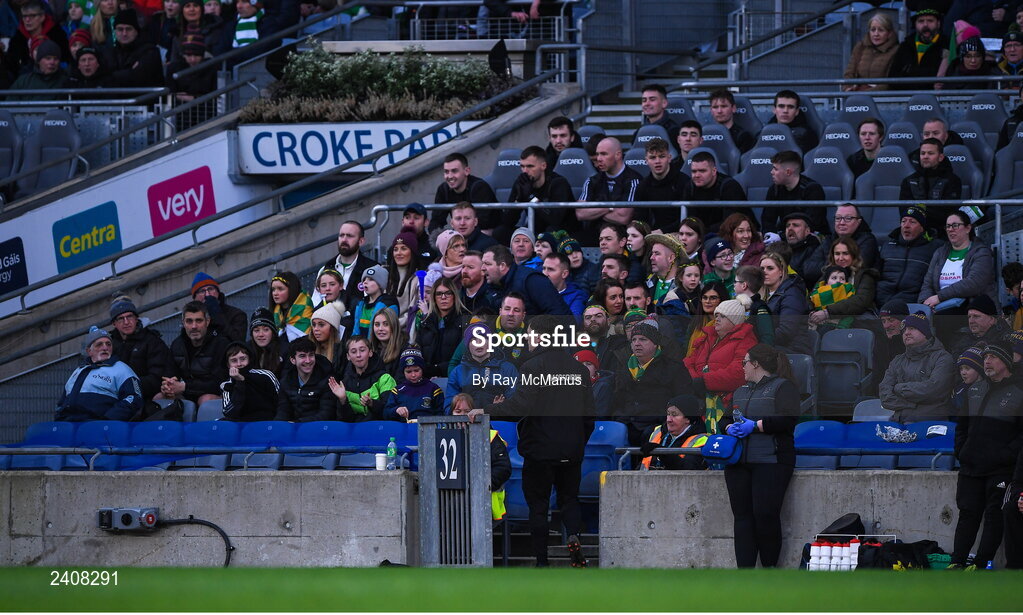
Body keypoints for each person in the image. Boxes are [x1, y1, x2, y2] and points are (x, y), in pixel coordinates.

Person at [470, 315, 594, 568]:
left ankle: (542, 561)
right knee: (569, 499)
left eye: (530, 333)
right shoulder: (579, 369)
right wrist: (578, 441)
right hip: (571, 449)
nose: (527, 338)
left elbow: (520, 406)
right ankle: (573, 535)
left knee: (538, 505)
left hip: (540, 449)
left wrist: (486, 410)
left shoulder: (533, 367)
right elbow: (589, 415)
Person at [722, 343, 800, 568]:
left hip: (772, 461)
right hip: (739, 462)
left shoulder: (783, 387)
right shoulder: (740, 391)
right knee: (742, 517)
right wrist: (729, 427)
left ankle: (769, 568)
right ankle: (744, 571)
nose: (742, 367)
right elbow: (724, 419)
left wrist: (755, 426)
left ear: (756, 364)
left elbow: (788, 419)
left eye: (744, 362)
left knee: (765, 514)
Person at [951, 342, 1023, 569]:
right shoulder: (974, 389)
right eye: (985, 358)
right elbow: (961, 426)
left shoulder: (1019, 392)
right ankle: (957, 562)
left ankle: (981, 565)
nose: (987, 362)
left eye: (992, 357)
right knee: (967, 514)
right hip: (970, 466)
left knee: (994, 516)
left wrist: (1005, 455)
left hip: (1000, 469)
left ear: (1006, 362)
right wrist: (962, 451)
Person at [612, 318, 693, 446]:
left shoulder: (673, 368)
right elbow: (617, 401)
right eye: (634, 340)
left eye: (643, 339)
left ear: (655, 344)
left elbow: (683, 402)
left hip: (656, 428)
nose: (637, 343)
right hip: (626, 426)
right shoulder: (624, 368)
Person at [685, 296, 759, 434]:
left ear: (735, 321)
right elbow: (689, 362)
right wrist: (694, 381)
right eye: (716, 315)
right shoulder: (708, 338)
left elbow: (739, 372)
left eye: (723, 316)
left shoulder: (746, 341)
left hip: (726, 402)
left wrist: (704, 382)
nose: (717, 319)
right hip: (699, 397)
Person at [919, 209, 997, 338]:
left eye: (955, 225)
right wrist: (925, 304)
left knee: (942, 320)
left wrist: (939, 297)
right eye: (948, 226)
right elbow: (927, 283)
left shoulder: (981, 252)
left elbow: (974, 283)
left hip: (970, 306)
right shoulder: (940, 252)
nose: (950, 229)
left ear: (968, 228)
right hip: (940, 306)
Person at [878, 311, 955, 423]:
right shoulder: (897, 360)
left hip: (930, 423)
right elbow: (885, 395)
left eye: (912, 328)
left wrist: (899, 388)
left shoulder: (942, 358)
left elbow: (933, 390)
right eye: (904, 330)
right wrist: (911, 404)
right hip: (898, 421)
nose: (906, 333)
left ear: (925, 333)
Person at [55, 327, 143, 421]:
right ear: (89, 351)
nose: (105, 348)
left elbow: (134, 398)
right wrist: (59, 421)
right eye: (99, 344)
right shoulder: (78, 371)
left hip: (101, 426)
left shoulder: (122, 369)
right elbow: (62, 402)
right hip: (70, 425)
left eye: (108, 344)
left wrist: (108, 420)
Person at [451, 392, 512, 522]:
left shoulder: (490, 436)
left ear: (474, 413)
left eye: (467, 411)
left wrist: (480, 485)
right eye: (458, 411)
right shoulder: (444, 437)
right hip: (452, 502)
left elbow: (503, 468)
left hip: (484, 502)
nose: (462, 416)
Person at [162, 300, 231, 405]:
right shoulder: (177, 345)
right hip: (187, 394)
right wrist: (167, 386)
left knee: (205, 400)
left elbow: (220, 383)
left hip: (214, 394)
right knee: (160, 397)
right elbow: (169, 374)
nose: (194, 326)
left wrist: (185, 386)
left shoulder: (221, 344)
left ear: (207, 321)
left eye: (198, 321)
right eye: (189, 321)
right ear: (183, 323)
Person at [876, 205, 944, 307]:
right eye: (903, 221)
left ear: (922, 228)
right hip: (880, 301)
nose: (906, 225)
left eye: (912, 222)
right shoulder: (887, 245)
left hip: (910, 303)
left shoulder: (934, 248)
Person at [577, 137, 642, 243]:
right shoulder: (592, 181)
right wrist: (610, 207)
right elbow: (580, 213)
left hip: (622, 238)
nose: (599, 158)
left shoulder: (633, 181)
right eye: (597, 154)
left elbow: (624, 217)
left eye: (604, 154)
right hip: (594, 235)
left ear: (618, 155)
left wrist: (595, 210)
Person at [108, 295, 173, 401]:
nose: (126, 322)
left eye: (129, 317)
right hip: (118, 396)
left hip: (147, 397)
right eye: (120, 319)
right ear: (114, 323)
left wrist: (129, 386)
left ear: (136, 318)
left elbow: (158, 377)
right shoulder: (109, 344)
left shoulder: (152, 341)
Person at [446, 322, 518, 412]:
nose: (479, 344)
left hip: (496, 419)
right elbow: (449, 406)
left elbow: (514, 403)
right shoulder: (457, 372)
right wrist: (460, 414)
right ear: (467, 345)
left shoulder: (507, 369)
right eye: (473, 340)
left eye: (483, 339)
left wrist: (497, 410)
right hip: (466, 420)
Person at [808, 238, 880, 328]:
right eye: (837, 254)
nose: (841, 258)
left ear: (854, 255)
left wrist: (828, 312)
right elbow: (812, 296)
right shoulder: (827, 274)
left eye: (845, 253)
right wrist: (812, 312)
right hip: (824, 317)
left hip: (856, 318)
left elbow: (861, 301)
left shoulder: (865, 275)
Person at [482, 244, 571, 315]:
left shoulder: (531, 280)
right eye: (482, 264)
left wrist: (536, 329)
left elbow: (559, 313)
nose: (482, 268)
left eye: (487, 264)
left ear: (502, 266)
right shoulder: (490, 286)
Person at [507, 145, 575, 235]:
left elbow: (555, 219)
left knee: (551, 230)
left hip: (562, 231)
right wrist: (518, 200)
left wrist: (531, 197)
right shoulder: (522, 182)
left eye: (530, 166)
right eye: (522, 166)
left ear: (543, 166)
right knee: (501, 231)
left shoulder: (558, 183)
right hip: (535, 228)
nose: (525, 171)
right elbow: (508, 221)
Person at [681, 152, 755, 231]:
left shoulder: (729, 186)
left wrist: (703, 232)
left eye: (702, 171)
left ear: (714, 171)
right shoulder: (690, 187)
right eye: (694, 171)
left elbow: (730, 222)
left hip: (732, 232)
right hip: (702, 232)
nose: (697, 175)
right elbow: (690, 218)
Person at [331, 335, 396, 422]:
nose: (358, 355)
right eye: (353, 352)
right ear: (348, 356)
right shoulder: (344, 383)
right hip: (355, 429)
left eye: (362, 350)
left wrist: (372, 403)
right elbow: (345, 420)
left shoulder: (384, 378)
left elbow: (391, 412)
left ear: (370, 352)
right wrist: (343, 400)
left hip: (379, 427)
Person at [317, 220, 378, 311]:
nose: (344, 240)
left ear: (361, 241)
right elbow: (316, 302)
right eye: (341, 235)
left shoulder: (372, 270)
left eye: (349, 236)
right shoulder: (326, 268)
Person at [762, 150, 827, 235]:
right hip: (786, 235)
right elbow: (767, 220)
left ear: (788, 172)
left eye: (775, 169)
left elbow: (811, 224)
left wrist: (781, 236)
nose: (771, 172)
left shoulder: (812, 190)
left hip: (812, 237)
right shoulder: (775, 189)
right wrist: (770, 235)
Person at [760, 253, 814, 354]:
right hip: (774, 347)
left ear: (781, 272)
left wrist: (759, 338)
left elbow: (786, 332)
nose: (764, 272)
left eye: (770, 268)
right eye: (762, 269)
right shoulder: (763, 295)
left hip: (793, 350)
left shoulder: (792, 294)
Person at [413, 277, 466, 378]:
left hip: (453, 378)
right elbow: (418, 353)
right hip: (427, 379)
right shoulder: (426, 323)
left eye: (448, 293)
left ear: (454, 296)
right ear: (434, 298)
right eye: (439, 294)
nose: (443, 297)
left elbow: (464, 358)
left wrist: (438, 370)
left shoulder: (464, 321)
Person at [431, 153, 498, 232]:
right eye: (446, 172)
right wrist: (439, 236)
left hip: (488, 231)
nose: (450, 176)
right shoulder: (443, 189)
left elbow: (483, 222)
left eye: (454, 171)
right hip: (462, 230)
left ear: (467, 171)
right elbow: (436, 221)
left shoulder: (479, 187)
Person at [639, 394, 707, 470]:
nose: (669, 420)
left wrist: (662, 452)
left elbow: (688, 469)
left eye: (674, 415)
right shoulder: (656, 431)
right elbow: (642, 464)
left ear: (688, 419)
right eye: (668, 414)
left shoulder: (702, 440)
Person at [888, 7, 949, 88]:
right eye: (921, 21)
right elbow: (892, 78)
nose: (925, 25)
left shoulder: (947, 45)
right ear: (915, 24)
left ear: (938, 23)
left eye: (930, 21)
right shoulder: (905, 46)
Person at [5, 0, 71, 76]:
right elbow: (11, 67)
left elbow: (66, 59)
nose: (27, 20)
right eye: (24, 16)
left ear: (42, 17)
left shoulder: (57, 36)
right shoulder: (17, 40)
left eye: (32, 16)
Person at [220, 342, 280, 421]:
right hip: (240, 424)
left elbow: (281, 403)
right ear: (228, 365)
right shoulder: (227, 384)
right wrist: (240, 382)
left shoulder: (266, 375)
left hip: (267, 422)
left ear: (249, 359)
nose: (239, 364)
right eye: (234, 361)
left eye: (243, 359)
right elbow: (229, 412)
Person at [382, 346, 444, 421]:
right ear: (403, 372)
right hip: (404, 427)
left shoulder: (433, 389)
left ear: (422, 369)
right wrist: (396, 410)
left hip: (427, 427)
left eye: (416, 370)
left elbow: (441, 414)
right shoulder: (397, 391)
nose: (413, 375)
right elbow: (386, 413)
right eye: (409, 372)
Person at [106, 9, 163, 88]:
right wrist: (130, 71)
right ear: (115, 32)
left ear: (136, 31)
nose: (124, 33)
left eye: (128, 29)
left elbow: (139, 78)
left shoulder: (150, 51)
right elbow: (104, 79)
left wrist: (114, 75)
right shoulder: (110, 52)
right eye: (120, 29)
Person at [842, 12, 899, 91]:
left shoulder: (896, 51)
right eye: (873, 30)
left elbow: (890, 82)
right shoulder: (860, 47)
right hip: (856, 93)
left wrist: (865, 93)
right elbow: (849, 73)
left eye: (881, 30)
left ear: (889, 33)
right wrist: (848, 88)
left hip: (881, 96)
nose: (876, 34)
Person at [383, 226, 425, 328]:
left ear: (412, 252)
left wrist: (391, 325)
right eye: (395, 249)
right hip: (382, 328)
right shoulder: (385, 274)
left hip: (404, 331)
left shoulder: (419, 279)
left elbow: (414, 311)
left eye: (404, 248)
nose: (398, 253)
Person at [820, 203, 880, 273]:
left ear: (858, 222)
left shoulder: (867, 240)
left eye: (848, 218)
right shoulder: (828, 240)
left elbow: (858, 267)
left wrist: (828, 265)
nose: (842, 222)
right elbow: (810, 269)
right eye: (838, 218)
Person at [190, 271, 248, 343]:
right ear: (195, 298)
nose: (207, 294)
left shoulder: (236, 315)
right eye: (202, 291)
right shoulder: (190, 318)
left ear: (218, 292)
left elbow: (238, 342)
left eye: (210, 289)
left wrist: (217, 314)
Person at [350, 266, 399, 337]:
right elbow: (356, 330)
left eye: (371, 279)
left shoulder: (388, 304)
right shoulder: (361, 304)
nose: (365, 282)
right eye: (364, 280)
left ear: (380, 284)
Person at [268, 271, 314, 341]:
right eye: (273, 289)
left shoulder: (305, 309)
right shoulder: (275, 313)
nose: (275, 293)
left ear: (292, 289)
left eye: (280, 289)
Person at [734, 265, 774, 345]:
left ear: (744, 285)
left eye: (735, 281)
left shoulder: (760, 308)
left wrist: (757, 352)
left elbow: (767, 337)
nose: (734, 284)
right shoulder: (737, 305)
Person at [782, 212, 823, 287]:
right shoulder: (780, 248)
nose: (790, 228)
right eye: (788, 226)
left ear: (807, 231)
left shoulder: (815, 250)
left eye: (795, 225)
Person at [708, 88, 755, 153]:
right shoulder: (705, 136)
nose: (719, 111)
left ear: (733, 108)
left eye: (724, 106)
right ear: (711, 110)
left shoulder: (744, 137)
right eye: (715, 107)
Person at [644, 233, 682, 312]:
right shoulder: (648, 284)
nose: (651, 257)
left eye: (657, 253)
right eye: (652, 253)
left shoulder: (684, 287)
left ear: (671, 258)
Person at [542, 252, 586, 317]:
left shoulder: (576, 297)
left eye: (551, 269)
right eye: (544, 268)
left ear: (564, 274)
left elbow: (574, 321)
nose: (545, 273)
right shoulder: (535, 292)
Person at [308, 302, 346, 373]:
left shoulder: (343, 352)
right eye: (314, 325)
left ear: (332, 328)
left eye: (321, 325)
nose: (315, 329)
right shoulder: (306, 347)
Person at [460, 251, 500, 316]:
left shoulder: (492, 300)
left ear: (483, 271)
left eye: (470, 267)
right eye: (463, 267)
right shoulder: (456, 297)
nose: (464, 271)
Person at [370, 308, 407, 378]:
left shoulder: (405, 351)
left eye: (386, 324)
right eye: (377, 324)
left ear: (394, 326)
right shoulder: (369, 349)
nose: (380, 328)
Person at [248, 307, 286, 374]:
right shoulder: (246, 350)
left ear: (273, 332)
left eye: (266, 330)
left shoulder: (284, 350)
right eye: (256, 330)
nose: (261, 334)